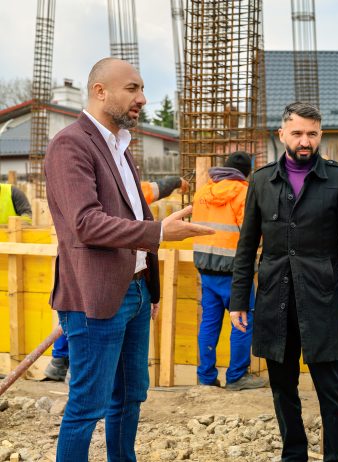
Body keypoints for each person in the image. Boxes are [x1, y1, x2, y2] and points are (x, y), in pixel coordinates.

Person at [44, 57, 214, 461]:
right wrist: (159, 233)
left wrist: (147, 287)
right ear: (100, 91)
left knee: (130, 396)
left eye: (142, 89)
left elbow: (130, 214)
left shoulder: (119, 146)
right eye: (132, 89)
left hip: (134, 293)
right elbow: (85, 223)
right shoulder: (71, 144)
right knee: (88, 405)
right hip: (95, 298)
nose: (143, 98)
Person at [229, 102, 338, 461]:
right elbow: (247, 245)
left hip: (321, 299)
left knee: (332, 388)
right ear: (282, 135)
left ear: (320, 135)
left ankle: (336, 457)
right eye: (297, 133)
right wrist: (238, 299)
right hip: (274, 299)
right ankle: (294, 455)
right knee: (282, 386)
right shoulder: (261, 181)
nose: (305, 141)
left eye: (312, 133)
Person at [43, 175, 191, 382]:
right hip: (100, 272)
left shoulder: (119, 187)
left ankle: (61, 361)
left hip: (105, 272)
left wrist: (175, 182)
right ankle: (65, 363)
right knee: (84, 325)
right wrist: (177, 183)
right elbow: (89, 224)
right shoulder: (107, 192)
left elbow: (154, 189)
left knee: (81, 324)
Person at [192, 151, 267, 390]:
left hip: (206, 268)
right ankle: (236, 376)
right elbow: (251, 231)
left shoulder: (203, 192)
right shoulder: (245, 192)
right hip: (235, 271)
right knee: (242, 320)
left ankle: (206, 377)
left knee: (209, 322)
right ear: (246, 173)